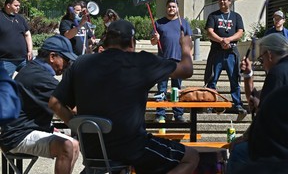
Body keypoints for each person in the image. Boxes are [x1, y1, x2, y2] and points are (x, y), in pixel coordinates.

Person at [49, 20, 199, 174]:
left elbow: (54, 103)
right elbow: (186, 70)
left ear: (106, 41)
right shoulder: (141, 62)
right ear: (131, 43)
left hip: (92, 149)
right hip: (133, 148)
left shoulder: (81, 63)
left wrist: (80, 129)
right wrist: (186, 48)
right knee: (191, 157)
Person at [0, 35, 80, 174]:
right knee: (67, 146)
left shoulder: (34, 68)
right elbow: (73, 107)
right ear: (52, 56)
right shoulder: (40, 77)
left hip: (23, 130)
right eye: (66, 60)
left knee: (74, 146)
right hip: (17, 136)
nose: (67, 65)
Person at [226, 33, 288, 174]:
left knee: (238, 151)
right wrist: (248, 75)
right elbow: (256, 100)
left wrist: (243, 137)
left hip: (278, 145)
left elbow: (262, 115)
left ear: (270, 55)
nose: (263, 63)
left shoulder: (277, 73)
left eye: (261, 59)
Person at [204, 0, 246, 115]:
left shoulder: (236, 16)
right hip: (216, 52)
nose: (222, 2)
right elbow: (210, 32)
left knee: (234, 80)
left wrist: (229, 40)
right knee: (212, 80)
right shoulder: (213, 16)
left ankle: (237, 104)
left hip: (231, 53)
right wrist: (221, 40)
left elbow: (240, 32)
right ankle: (209, 105)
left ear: (230, 1)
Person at [150, 0, 192, 123]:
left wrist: (188, 57)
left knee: (177, 89)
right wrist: (155, 38)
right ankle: (160, 114)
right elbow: (152, 42)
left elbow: (189, 42)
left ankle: (178, 114)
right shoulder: (158, 23)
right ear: (166, 8)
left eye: (174, 7)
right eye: (169, 6)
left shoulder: (183, 23)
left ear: (177, 9)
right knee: (161, 89)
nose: (171, 9)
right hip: (163, 61)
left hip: (178, 61)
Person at [0, 0, 33, 77]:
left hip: (23, 59)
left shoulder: (20, 18)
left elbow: (27, 34)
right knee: (5, 85)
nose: (18, 7)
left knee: (29, 80)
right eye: (16, 5)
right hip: (6, 60)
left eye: (19, 5)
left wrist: (30, 50)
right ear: (8, 5)